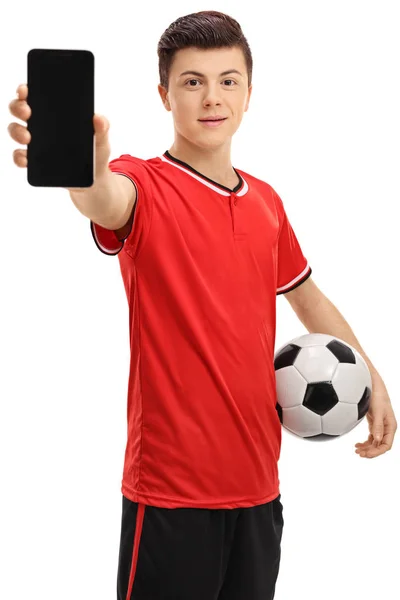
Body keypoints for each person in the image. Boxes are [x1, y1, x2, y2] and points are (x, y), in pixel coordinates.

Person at [8, 9, 397, 600]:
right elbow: (104, 198)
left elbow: (306, 295)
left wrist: (373, 378)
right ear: (164, 94)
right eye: (192, 81)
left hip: (259, 490)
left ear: (248, 92)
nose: (211, 97)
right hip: (170, 495)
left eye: (227, 80)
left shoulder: (266, 201)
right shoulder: (144, 184)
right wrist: (82, 167)